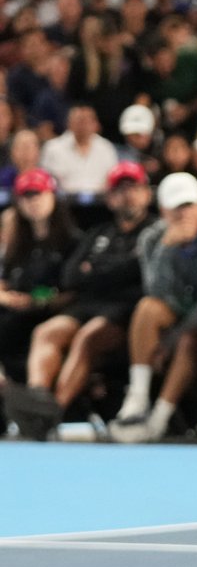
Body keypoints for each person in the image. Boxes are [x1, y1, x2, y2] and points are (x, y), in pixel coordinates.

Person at [4, 163, 154, 440]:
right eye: (119, 190)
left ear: (147, 194)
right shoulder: (98, 233)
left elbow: (139, 273)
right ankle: (38, 402)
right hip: (86, 306)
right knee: (47, 332)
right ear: (109, 198)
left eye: (133, 188)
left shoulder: (152, 232)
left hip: (124, 312)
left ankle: (52, 414)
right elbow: (71, 276)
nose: (127, 196)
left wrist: (97, 272)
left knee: (87, 337)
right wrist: (113, 272)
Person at [110, 172, 197, 443]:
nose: (184, 213)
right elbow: (155, 292)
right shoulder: (152, 239)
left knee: (188, 341)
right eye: (176, 207)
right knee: (147, 308)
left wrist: (170, 341)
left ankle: (158, 420)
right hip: (172, 311)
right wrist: (167, 248)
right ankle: (138, 397)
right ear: (163, 211)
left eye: (189, 205)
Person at [0, 169, 78, 389]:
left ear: (52, 195)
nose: (33, 201)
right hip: (14, 314)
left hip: (49, 314)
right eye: (26, 196)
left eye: (38, 194)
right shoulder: (19, 243)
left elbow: (72, 290)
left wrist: (35, 300)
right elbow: (6, 280)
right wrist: (4, 296)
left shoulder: (72, 241)